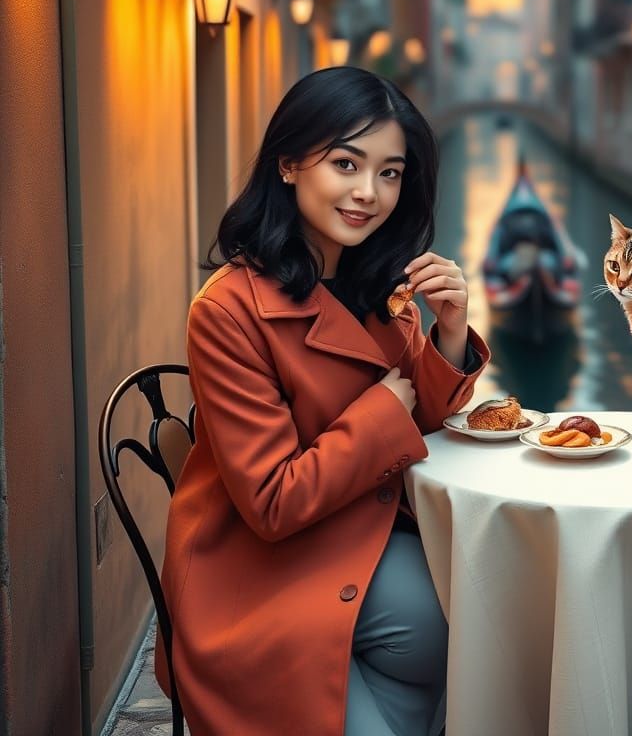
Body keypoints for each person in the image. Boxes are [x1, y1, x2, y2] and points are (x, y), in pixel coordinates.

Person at [154, 66, 491, 735]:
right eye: (346, 164)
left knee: (488, 624)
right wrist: (384, 410)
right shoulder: (228, 311)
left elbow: (418, 426)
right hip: (256, 581)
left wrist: (449, 334)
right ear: (288, 164)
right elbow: (273, 502)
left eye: (390, 173)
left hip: (359, 539)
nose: (369, 193)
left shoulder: (382, 289)